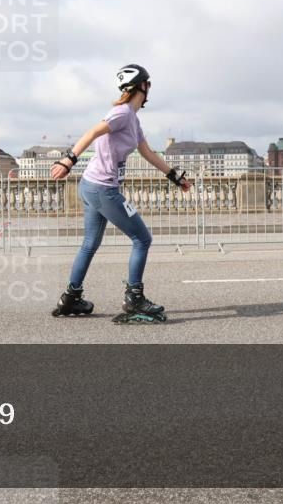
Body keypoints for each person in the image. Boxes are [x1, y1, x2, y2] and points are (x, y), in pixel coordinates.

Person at [49, 64, 193, 323]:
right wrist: (67, 161)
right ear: (143, 86)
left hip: (91, 186)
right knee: (142, 238)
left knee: (90, 244)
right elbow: (93, 132)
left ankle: (71, 297)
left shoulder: (132, 120)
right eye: (148, 85)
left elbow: (148, 153)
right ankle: (135, 299)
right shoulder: (123, 113)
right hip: (104, 189)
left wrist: (175, 176)